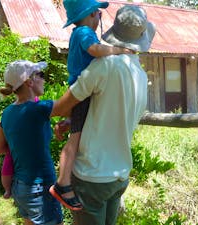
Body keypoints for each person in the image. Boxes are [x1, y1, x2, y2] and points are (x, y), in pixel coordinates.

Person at [50, 5, 156, 224]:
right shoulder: (140, 75)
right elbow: (108, 113)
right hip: (119, 175)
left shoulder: (104, 66)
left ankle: (62, 184)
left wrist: (28, 109)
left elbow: (61, 106)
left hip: (92, 175)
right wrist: (74, 121)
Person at [0, 60, 64, 225]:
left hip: (21, 187)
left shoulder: (8, 112)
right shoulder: (39, 109)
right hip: (40, 188)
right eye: (41, 75)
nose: (44, 79)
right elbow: (72, 102)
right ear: (29, 82)